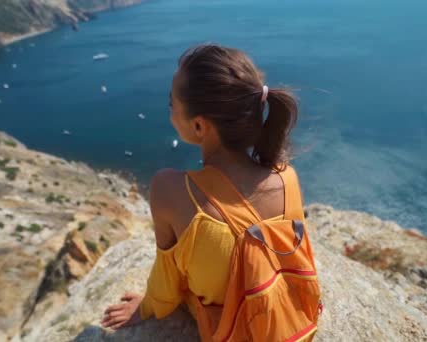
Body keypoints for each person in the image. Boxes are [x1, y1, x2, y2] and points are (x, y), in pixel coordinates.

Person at [102, 44, 318, 340]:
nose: (169, 112)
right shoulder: (287, 177)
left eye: (171, 104)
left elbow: (168, 279)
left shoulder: (170, 189)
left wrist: (148, 308)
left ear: (199, 126)